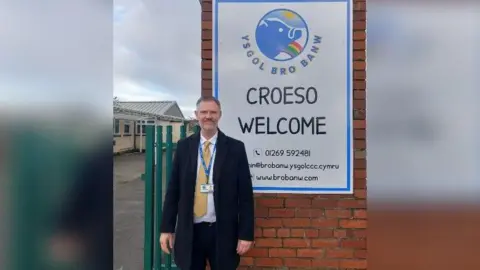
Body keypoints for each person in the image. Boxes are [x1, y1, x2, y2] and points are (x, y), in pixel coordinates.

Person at [159, 96, 255, 270]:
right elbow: (173, 191)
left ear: (220, 115)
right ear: (196, 115)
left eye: (213, 112)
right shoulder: (183, 147)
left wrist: (246, 234)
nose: (208, 116)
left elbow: (246, 196)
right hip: (190, 231)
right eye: (204, 112)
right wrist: (167, 228)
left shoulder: (236, 148)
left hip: (223, 232)